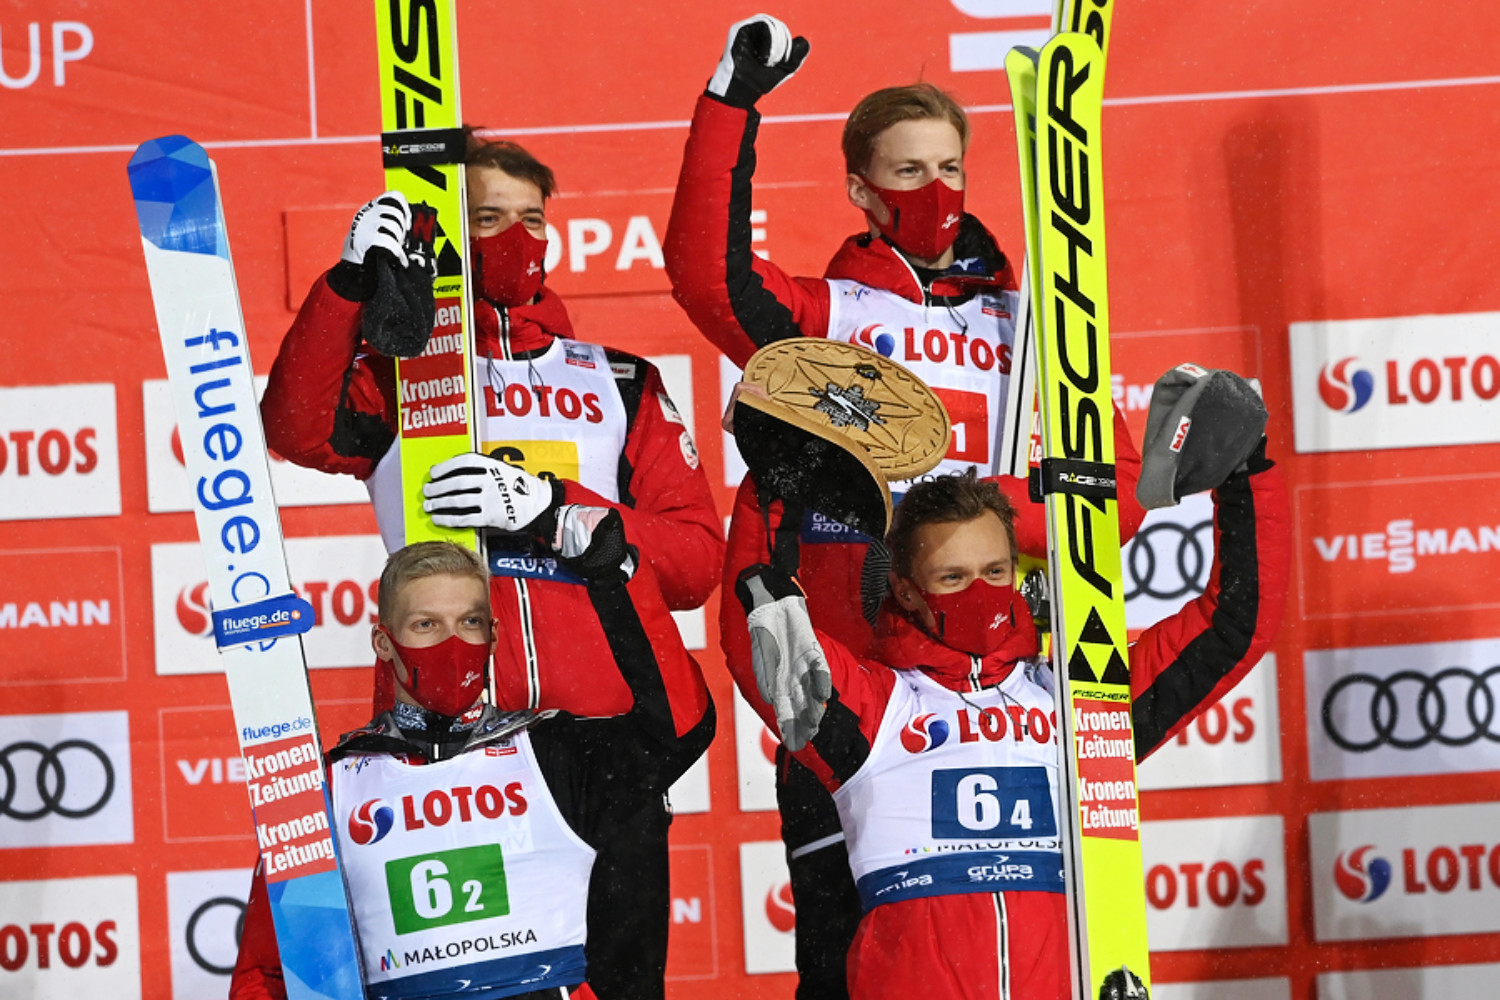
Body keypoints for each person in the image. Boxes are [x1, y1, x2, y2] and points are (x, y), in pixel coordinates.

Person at [664, 16, 1148, 995]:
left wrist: (974, 513)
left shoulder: (1037, 328)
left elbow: (1119, 496)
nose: (938, 192)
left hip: (999, 692)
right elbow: (705, 278)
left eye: (951, 168)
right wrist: (730, 104)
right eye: (910, 171)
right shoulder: (829, 322)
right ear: (860, 189)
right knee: (842, 968)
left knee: (1017, 953)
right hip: (854, 696)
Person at [260, 135, 721, 999]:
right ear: (447, 233)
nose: (515, 237)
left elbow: (696, 562)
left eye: (531, 219)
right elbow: (293, 427)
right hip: (443, 754)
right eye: (486, 219)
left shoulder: (617, 381)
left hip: (600, 751)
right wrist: (352, 286)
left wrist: (556, 509)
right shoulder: (405, 372)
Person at [732, 446, 1289, 999]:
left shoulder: (1079, 701)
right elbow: (762, 632)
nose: (980, 592)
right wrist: (773, 482)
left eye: (994, 572)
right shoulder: (876, 708)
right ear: (904, 589)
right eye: (952, 578)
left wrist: (1243, 473)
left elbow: (1228, 626)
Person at [231, 525, 714, 1000]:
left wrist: (614, 581)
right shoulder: (328, 791)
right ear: (383, 642)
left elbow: (679, 729)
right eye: (426, 625)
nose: (452, 642)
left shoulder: (549, 755)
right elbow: (268, 976)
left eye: (470, 622)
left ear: (494, 633)